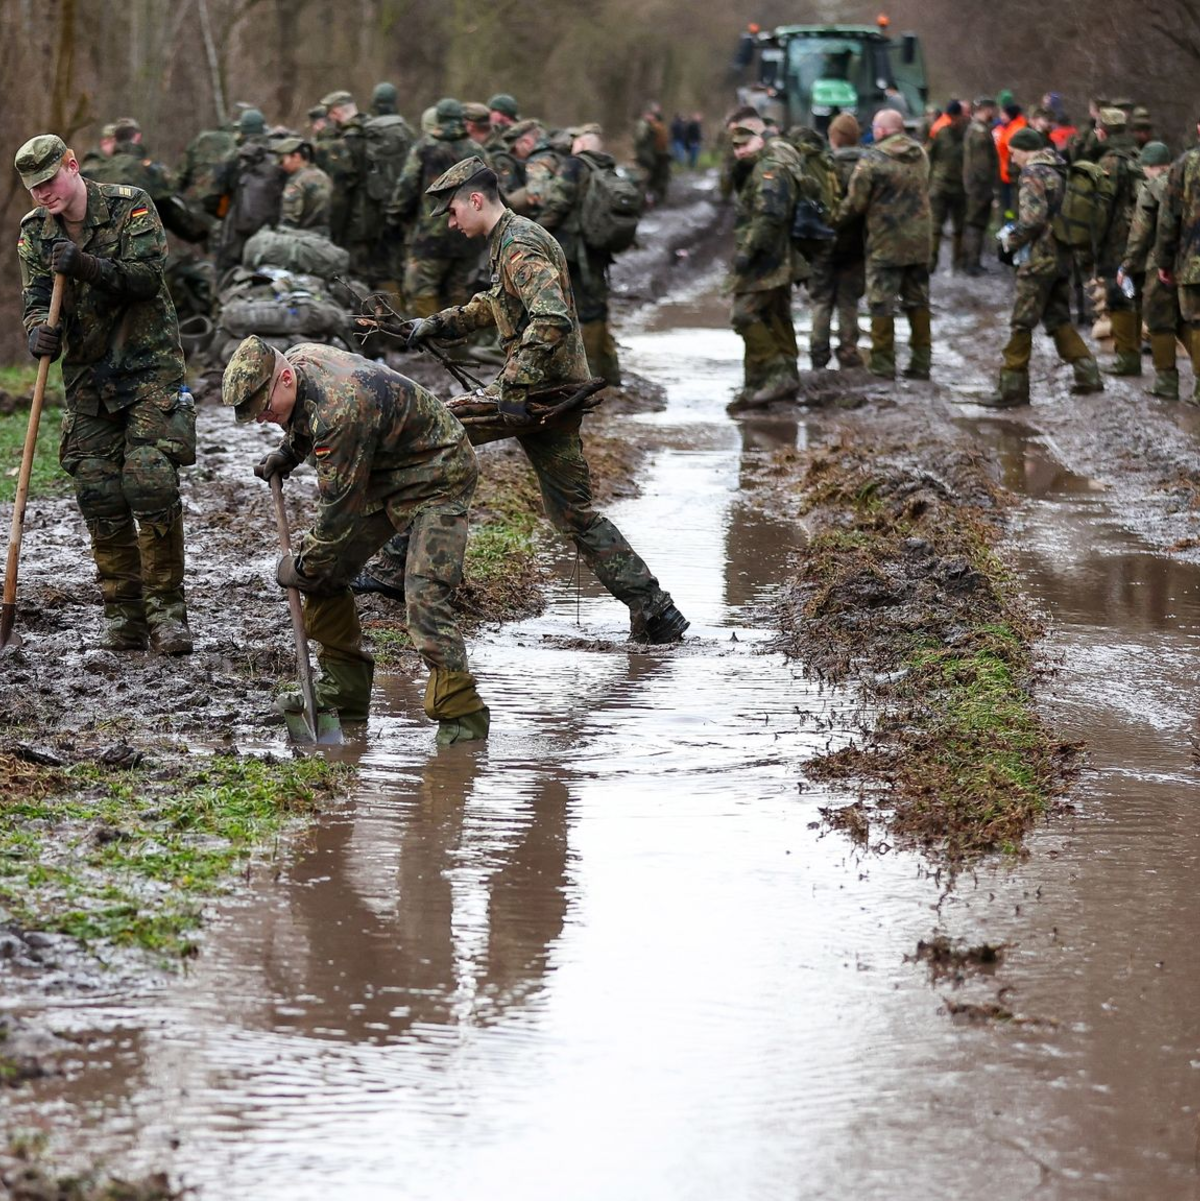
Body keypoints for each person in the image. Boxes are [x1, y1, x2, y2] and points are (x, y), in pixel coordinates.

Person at [362, 156, 688, 644]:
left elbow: (551, 317)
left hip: (538, 396)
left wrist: (513, 386)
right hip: (551, 394)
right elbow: (495, 304)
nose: (451, 223)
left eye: (453, 212)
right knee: (573, 515)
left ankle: (392, 570)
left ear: (476, 200)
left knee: (429, 440)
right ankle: (656, 610)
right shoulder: (511, 240)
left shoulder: (519, 244)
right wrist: (434, 324)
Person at [221, 336, 487, 743]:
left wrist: (300, 566)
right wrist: (288, 451)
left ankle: (461, 720)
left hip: (438, 473)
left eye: (264, 409)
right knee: (324, 577)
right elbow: (306, 417)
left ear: (285, 378)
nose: (262, 418)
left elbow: (336, 517)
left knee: (425, 596)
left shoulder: (340, 412)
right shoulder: (300, 367)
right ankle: (345, 694)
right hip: (383, 471)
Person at [15, 134, 195, 653]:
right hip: (88, 376)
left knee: (149, 480)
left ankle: (167, 613)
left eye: (49, 182)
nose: (44, 195)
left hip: (148, 369)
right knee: (97, 490)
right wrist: (35, 330)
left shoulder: (130, 204)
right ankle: (124, 615)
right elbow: (35, 298)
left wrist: (87, 266)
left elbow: (146, 276)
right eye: (34, 189)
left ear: (72, 166)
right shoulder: (35, 234)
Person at [980, 126, 1103, 407]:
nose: (1012, 160)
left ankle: (1012, 387)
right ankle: (1088, 374)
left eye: (1013, 154)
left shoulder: (1033, 174)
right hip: (1062, 257)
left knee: (1022, 321)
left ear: (1024, 150)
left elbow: (1033, 220)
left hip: (1039, 259)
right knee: (1058, 317)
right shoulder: (1060, 169)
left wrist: (1009, 241)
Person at [835, 107, 933, 380]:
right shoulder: (921, 154)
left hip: (886, 241)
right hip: (920, 241)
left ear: (880, 131)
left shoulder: (872, 160)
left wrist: (831, 222)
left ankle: (882, 363)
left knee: (881, 303)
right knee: (918, 301)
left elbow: (855, 203)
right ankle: (921, 362)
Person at [536, 123, 624, 385]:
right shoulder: (606, 166)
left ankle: (589, 377)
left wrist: (536, 231)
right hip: (597, 248)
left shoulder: (574, 166)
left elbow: (558, 202)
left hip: (574, 251)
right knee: (598, 309)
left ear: (582, 145)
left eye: (575, 141)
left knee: (580, 312)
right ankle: (610, 375)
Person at [725, 115, 804, 405]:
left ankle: (777, 373)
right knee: (775, 316)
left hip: (767, 259)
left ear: (761, 140)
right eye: (736, 147)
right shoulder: (758, 168)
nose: (740, 151)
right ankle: (759, 385)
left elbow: (770, 217)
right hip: (773, 257)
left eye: (745, 145)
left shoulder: (769, 170)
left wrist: (748, 251)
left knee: (744, 315)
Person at [386, 97, 482, 319]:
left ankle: (431, 343)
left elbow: (406, 187)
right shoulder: (476, 151)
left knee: (422, 290)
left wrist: (395, 216)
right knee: (459, 292)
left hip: (429, 236)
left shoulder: (424, 148)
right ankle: (458, 344)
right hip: (467, 236)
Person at [1121, 142, 1185, 399]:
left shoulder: (1153, 188)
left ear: (1150, 167)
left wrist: (1127, 264)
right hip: (1190, 260)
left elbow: (1140, 232)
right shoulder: (1188, 179)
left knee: (1159, 320)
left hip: (1161, 261)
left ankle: (1166, 381)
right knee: (1190, 321)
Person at [811, 112, 866, 369]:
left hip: (825, 243)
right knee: (849, 300)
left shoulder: (823, 165)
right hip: (856, 244)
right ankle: (848, 350)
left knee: (822, 299)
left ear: (833, 137)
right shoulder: (867, 165)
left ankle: (818, 352)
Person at [1095, 107, 1146, 376]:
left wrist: (1094, 241)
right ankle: (1133, 350)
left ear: (1103, 131)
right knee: (1134, 294)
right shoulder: (1138, 155)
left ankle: (1127, 357)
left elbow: (1103, 206)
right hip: (1141, 237)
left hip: (1117, 241)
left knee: (1119, 297)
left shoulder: (1110, 162)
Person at [1154, 118, 1200, 405]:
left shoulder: (1184, 164)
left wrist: (1164, 260)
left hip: (1193, 261)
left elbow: (1168, 218)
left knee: (1196, 322)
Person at [926, 99, 967, 273]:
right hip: (940, 186)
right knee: (935, 226)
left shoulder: (967, 134)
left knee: (959, 228)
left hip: (960, 187)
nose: (953, 120)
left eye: (955, 117)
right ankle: (931, 261)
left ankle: (957, 263)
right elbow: (929, 156)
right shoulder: (940, 132)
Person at [962, 95, 999, 275]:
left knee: (977, 224)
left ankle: (973, 260)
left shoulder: (979, 129)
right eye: (990, 109)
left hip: (978, 185)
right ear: (984, 110)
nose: (993, 112)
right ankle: (971, 262)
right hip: (979, 186)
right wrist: (990, 187)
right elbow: (982, 164)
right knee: (975, 224)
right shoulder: (979, 132)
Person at [275, 137, 333, 236]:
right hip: (324, 237)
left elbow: (289, 218)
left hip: (301, 239)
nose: (281, 166)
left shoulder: (297, 181)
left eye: (282, 161)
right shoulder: (323, 176)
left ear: (296, 157)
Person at [634, 101, 671, 207]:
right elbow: (640, 140)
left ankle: (651, 198)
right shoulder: (645, 125)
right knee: (647, 178)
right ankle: (646, 199)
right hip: (650, 156)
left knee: (655, 178)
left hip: (656, 156)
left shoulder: (656, 125)